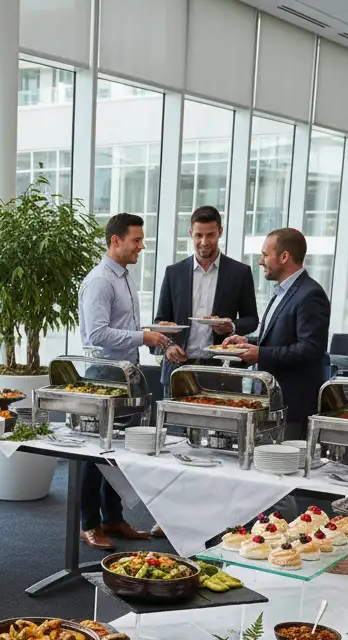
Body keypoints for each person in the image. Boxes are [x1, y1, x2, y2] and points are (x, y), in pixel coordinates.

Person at [77, 212, 170, 551]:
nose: (141, 247)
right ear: (115, 241)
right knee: (94, 454)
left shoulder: (125, 277)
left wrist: (147, 335)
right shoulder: (101, 280)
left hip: (125, 375)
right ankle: (88, 524)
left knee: (116, 453)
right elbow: (97, 334)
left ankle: (112, 518)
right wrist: (143, 337)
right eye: (136, 240)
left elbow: (122, 327)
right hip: (104, 376)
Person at [220, 227, 330, 440]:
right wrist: (247, 343)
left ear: (284, 256)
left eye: (265, 255)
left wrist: (261, 354)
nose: (261, 262)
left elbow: (311, 349)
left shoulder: (310, 294)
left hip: (291, 408)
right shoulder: (282, 292)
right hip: (270, 403)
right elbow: (279, 340)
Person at [155, 205, 259, 385]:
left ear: (220, 232)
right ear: (190, 233)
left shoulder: (240, 272)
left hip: (222, 370)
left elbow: (252, 319)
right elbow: (160, 321)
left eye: (210, 235)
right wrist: (167, 346)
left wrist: (232, 326)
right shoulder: (174, 273)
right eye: (198, 235)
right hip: (179, 369)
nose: (204, 242)